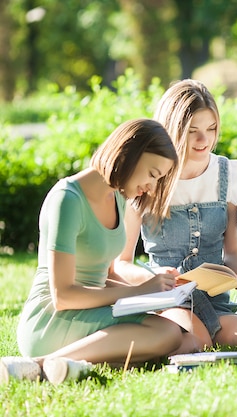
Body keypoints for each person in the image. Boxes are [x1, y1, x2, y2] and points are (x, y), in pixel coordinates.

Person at [2, 119, 184, 384]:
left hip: (90, 310)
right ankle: (38, 365)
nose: (152, 187)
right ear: (130, 155)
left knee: (182, 338)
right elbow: (62, 295)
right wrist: (136, 292)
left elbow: (105, 275)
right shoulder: (67, 199)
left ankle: (70, 364)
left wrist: (152, 298)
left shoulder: (118, 198)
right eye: (153, 174)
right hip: (51, 319)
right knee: (168, 336)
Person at [114, 79, 237, 353]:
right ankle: (136, 342)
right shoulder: (148, 177)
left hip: (211, 296)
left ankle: (179, 339)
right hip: (166, 296)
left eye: (211, 129)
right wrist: (153, 279)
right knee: (198, 341)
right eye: (192, 131)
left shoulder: (227, 174)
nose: (204, 140)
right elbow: (121, 263)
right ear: (171, 129)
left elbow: (232, 251)